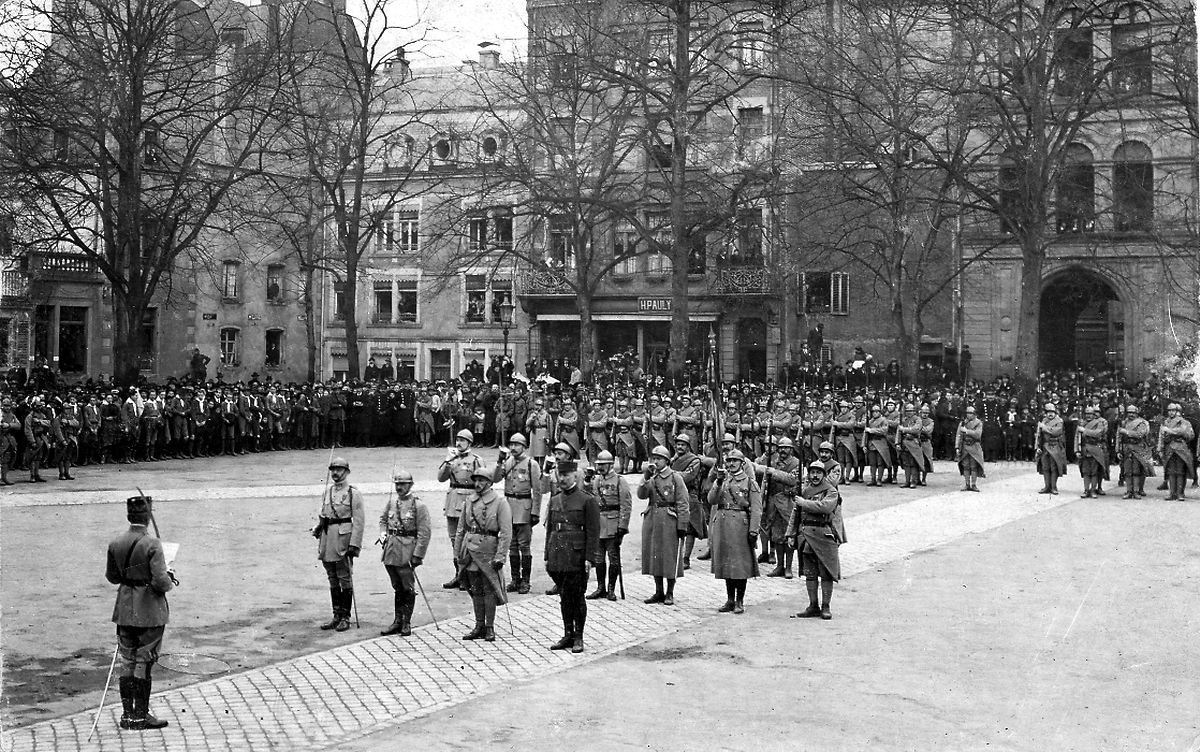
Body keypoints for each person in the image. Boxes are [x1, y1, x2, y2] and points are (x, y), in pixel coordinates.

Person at [105, 495, 175, 730]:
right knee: (144, 661)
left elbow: (112, 577)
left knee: (127, 660)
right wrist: (169, 578)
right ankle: (141, 716)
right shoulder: (152, 544)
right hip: (149, 610)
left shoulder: (115, 543)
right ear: (147, 517)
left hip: (124, 608)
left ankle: (127, 715)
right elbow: (161, 583)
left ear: (129, 516)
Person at [544, 460, 601, 653]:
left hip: (577, 557)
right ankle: (567, 634)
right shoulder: (554, 500)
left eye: (566, 475)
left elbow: (593, 532)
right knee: (564, 597)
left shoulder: (587, 500)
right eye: (560, 475)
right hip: (558, 555)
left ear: (575, 476)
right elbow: (550, 530)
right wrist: (547, 555)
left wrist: (589, 558)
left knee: (577, 597)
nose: (562, 479)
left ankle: (579, 636)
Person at [454, 465, 512, 642]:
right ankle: (478, 625)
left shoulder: (500, 502)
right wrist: (457, 553)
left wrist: (501, 556)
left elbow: (506, 532)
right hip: (469, 550)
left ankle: (489, 627)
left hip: (488, 550)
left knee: (489, 590)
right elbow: (460, 529)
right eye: (476, 480)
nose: (478, 484)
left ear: (489, 482)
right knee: (475, 589)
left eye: (481, 480)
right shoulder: (469, 501)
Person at [785, 461, 846, 621]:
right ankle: (813, 605)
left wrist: (803, 502)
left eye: (818, 473)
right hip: (806, 536)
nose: (815, 476)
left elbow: (824, 507)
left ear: (824, 474)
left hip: (824, 535)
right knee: (810, 574)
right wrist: (791, 534)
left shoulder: (831, 491)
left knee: (826, 574)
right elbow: (795, 514)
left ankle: (826, 606)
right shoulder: (804, 491)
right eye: (812, 472)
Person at [312, 456, 365, 632]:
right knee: (332, 578)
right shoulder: (327, 491)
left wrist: (354, 545)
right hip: (327, 538)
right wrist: (318, 527)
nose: (335, 473)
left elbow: (358, 521)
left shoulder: (353, 493)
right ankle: (336, 615)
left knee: (344, 577)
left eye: (339, 469)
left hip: (343, 538)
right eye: (333, 469)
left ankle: (345, 617)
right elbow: (323, 514)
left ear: (346, 472)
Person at [707, 450, 762, 614]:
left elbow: (757, 509)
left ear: (742, 463)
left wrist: (753, 531)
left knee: (740, 565)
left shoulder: (750, 482)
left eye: (734, 461)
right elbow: (711, 500)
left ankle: (740, 600)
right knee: (726, 564)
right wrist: (717, 482)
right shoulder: (722, 480)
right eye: (729, 461)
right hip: (723, 524)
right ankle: (730, 599)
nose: (731, 464)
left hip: (739, 525)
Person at [377, 470, 431, 637]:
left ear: (410, 485)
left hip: (407, 550)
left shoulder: (418, 506)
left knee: (407, 587)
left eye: (403, 484)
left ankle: (406, 622)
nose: (399, 487)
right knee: (397, 586)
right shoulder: (392, 502)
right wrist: (383, 532)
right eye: (397, 484)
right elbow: (383, 519)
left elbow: (424, 532)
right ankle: (397, 621)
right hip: (391, 550)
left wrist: (418, 555)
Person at [638, 445, 689, 605]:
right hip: (653, 518)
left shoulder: (675, 477)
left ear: (666, 460)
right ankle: (658, 591)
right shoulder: (651, 477)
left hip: (669, 520)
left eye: (659, 459)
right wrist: (645, 477)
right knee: (655, 555)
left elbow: (682, 502)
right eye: (654, 458)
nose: (655, 462)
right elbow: (641, 495)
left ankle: (670, 592)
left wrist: (682, 525)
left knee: (669, 556)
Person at [495, 432, 543, 595]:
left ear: (524, 446)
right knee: (512, 546)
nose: (513, 448)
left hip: (524, 508)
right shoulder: (507, 462)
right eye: (512, 445)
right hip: (508, 507)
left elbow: (537, 490)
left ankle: (526, 581)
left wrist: (535, 512)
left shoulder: (531, 464)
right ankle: (515, 579)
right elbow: (495, 479)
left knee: (524, 546)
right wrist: (499, 461)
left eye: (517, 445)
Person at [438, 429, 485, 589]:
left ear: (470, 443)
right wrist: (447, 461)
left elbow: (483, 482)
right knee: (454, 540)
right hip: (452, 502)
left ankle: (468, 576)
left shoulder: (476, 460)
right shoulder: (452, 458)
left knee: (467, 539)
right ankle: (458, 575)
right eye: (457, 440)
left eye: (462, 441)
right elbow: (440, 478)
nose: (458, 443)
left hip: (468, 501)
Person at [585, 451, 632, 601]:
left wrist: (622, 526)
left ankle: (611, 589)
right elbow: (590, 499)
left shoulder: (619, 481)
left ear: (611, 465)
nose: (600, 468)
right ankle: (601, 588)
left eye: (603, 465)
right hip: (599, 524)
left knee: (613, 558)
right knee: (598, 558)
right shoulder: (596, 481)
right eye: (598, 465)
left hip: (613, 524)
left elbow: (626, 505)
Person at [753, 436, 800, 578]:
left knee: (788, 536)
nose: (783, 451)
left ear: (791, 449)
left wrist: (772, 472)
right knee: (777, 536)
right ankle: (779, 566)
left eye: (786, 448)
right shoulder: (774, 462)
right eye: (781, 448)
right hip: (773, 502)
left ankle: (788, 567)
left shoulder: (796, 463)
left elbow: (792, 480)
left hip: (788, 503)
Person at [671, 433, 705, 570]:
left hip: (690, 495)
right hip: (675, 495)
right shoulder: (673, 460)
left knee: (690, 529)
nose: (680, 447)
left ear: (688, 446)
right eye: (678, 444)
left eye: (683, 445)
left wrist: (672, 474)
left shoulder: (694, 460)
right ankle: (676, 556)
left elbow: (689, 476)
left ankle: (686, 558)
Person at [1158, 402, 1195, 501]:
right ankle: (1172, 493)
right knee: (1171, 472)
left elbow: (1183, 432)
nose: (1171, 412)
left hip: (1180, 448)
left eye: (1173, 410)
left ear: (1177, 411)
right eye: (1169, 410)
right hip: (1169, 448)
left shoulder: (1183, 422)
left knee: (1180, 472)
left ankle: (1180, 493)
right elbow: (1161, 436)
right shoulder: (1165, 422)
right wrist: (1160, 449)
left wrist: (1169, 430)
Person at [1116, 403, 1153, 499]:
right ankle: (1129, 491)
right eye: (1129, 413)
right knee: (1127, 471)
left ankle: (1136, 491)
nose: (1131, 415)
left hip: (1138, 448)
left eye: (1133, 413)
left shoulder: (1141, 423)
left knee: (1136, 471)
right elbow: (1119, 437)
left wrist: (1127, 432)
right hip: (1127, 448)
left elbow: (1140, 434)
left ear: (1137, 413)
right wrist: (1118, 450)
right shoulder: (1123, 423)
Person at [1075, 405, 1109, 499]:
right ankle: (1086, 490)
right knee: (1085, 471)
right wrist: (1077, 450)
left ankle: (1093, 490)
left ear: (1094, 414)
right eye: (1087, 414)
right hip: (1085, 449)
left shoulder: (1099, 423)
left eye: (1090, 414)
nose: (1088, 416)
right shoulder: (1082, 423)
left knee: (1094, 472)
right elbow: (1077, 437)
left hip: (1095, 449)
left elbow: (1098, 434)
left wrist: (1085, 430)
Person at [1036, 404, 1068, 495]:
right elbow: (1039, 436)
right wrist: (1038, 447)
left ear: (1055, 413)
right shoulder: (1043, 421)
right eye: (1048, 412)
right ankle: (1046, 486)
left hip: (1055, 445)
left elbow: (1056, 431)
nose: (1050, 414)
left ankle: (1053, 487)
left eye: (1052, 412)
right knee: (1045, 467)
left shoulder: (1059, 421)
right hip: (1045, 446)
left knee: (1054, 467)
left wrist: (1044, 427)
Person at [955, 406, 985, 492]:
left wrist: (967, 431)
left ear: (974, 414)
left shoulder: (978, 423)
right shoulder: (963, 423)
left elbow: (978, 434)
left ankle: (974, 484)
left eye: (971, 413)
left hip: (974, 446)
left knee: (974, 466)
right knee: (966, 466)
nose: (969, 415)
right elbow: (958, 435)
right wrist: (957, 447)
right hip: (964, 446)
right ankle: (967, 484)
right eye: (967, 413)